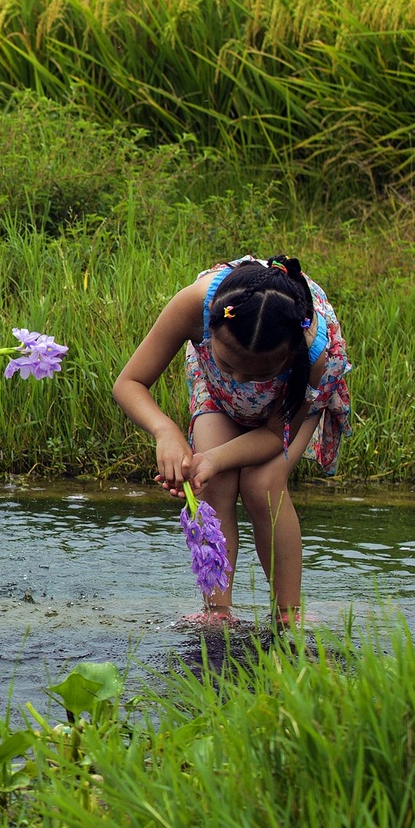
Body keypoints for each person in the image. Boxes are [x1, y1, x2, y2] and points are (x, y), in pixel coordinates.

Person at [113, 255, 353, 625]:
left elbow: (276, 434)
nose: (240, 378)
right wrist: (167, 433)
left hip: (284, 410)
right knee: (211, 483)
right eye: (230, 364)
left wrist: (214, 456)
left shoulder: (315, 355)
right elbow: (129, 383)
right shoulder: (196, 305)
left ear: (285, 356)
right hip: (215, 391)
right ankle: (217, 611)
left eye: (255, 373)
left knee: (264, 485)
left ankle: (288, 612)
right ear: (210, 328)